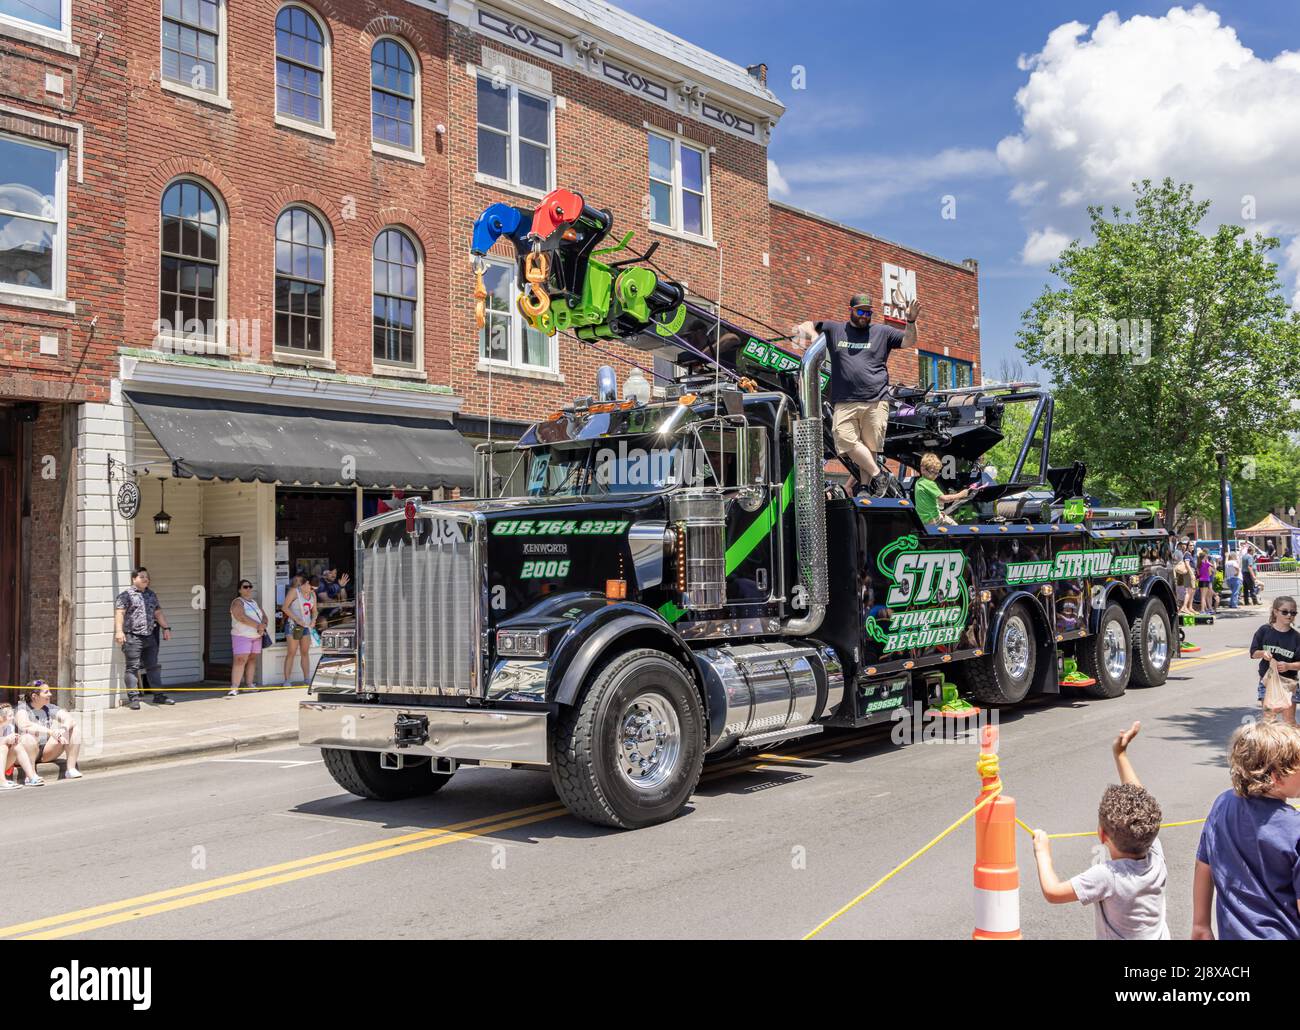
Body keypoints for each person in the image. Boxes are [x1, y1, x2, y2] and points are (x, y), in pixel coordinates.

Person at [1031, 722, 1168, 939]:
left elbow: (1053, 892)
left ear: (1102, 835)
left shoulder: (1108, 876)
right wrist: (1121, 754)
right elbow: (1142, 801)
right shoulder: (1155, 856)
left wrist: (1042, 853)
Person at [791, 292, 921, 496]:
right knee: (843, 438)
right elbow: (804, 325)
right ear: (850, 310)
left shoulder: (882, 332)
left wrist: (911, 321)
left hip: (876, 399)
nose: (864, 316)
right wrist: (816, 339)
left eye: (868, 312)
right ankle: (879, 475)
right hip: (845, 400)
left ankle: (864, 488)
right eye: (860, 311)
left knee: (870, 447)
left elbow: (908, 341)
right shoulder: (835, 329)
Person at [1192, 719, 1300, 940]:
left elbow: (1204, 864)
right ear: (1276, 777)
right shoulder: (1295, 829)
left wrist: (1200, 923)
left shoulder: (1222, 804)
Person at [114, 567, 173, 709]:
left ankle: (158, 696)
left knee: (153, 666)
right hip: (132, 636)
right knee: (132, 667)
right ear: (134, 579)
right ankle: (134, 698)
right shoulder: (125, 595)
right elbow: (120, 613)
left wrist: (166, 628)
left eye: (147, 577)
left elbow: (158, 613)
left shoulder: (151, 595)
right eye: (142, 577)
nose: (145, 579)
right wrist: (119, 631)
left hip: (149, 636)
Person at [15, 681, 81, 780]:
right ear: (34, 696)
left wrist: (63, 729)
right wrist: (50, 732)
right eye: (46, 692)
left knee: (73, 729)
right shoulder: (22, 709)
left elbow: (69, 719)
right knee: (28, 737)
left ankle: (70, 769)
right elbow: (25, 725)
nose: (50, 694)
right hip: (24, 752)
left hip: (45, 751)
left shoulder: (49, 708)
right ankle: (30, 776)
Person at [1250, 595, 1299, 724]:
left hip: (1288, 683)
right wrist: (1263, 653)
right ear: (1276, 612)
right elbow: (1253, 653)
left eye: (1293, 613)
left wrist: (1289, 666)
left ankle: (1295, 744)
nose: (1289, 615)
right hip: (1267, 682)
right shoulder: (1264, 631)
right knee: (1268, 720)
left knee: (1289, 721)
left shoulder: (1296, 637)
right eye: (1285, 612)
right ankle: (1272, 744)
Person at [913, 451, 981, 525]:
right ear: (923, 469)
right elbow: (944, 499)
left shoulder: (919, 482)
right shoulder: (929, 483)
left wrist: (938, 512)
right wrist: (961, 494)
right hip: (933, 519)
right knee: (957, 529)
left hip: (923, 520)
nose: (935, 476)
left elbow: (926, 503)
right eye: (933, 472)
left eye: (937, 473)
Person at [228, 580, 268, 698]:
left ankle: (249, 684)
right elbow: (240, 617)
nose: (248, 589)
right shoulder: (237, 602)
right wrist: (258, 626)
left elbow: (264, 616)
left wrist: (264, 625)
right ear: (239, 590)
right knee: (240, 660)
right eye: (245, 587)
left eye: (250, 586)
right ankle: (234, 687)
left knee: (252, 659)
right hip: (242, 635)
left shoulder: (254, 602)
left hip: (256, 636)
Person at [281, 574, 317, 687]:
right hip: (294, 625)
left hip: (306, 626)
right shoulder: (294, 591)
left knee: (305, 652)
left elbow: (315, 611)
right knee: (291, 652)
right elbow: (284, 608)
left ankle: (307, 678)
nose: (312, 590)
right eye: (311, 588)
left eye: (314, 589)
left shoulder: (312, 594)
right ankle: (287, 680)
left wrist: (314, 620)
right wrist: (296, 619)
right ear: (306, 583)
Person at [0, 703, 40, 788]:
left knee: (17, 746)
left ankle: (31, 777)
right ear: (1, 718)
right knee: (3, 748)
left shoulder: (9, 727)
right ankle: (1, 781)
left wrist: (14, 740)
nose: (13, 718)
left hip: (4, 763)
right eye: (10, 716)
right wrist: (5, 740)